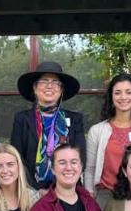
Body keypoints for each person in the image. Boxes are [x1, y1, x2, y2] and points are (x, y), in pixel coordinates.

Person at [10, 60, 87, 189]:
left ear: (61, 89)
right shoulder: (22, 119)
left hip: (67, 189)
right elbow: (16, 158)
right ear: (35, 88)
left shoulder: (75, 120)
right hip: (31, 191)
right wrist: (34, 190)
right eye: (44, 81)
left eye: (55, 83)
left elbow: (81, 157)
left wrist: (60, 189)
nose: (49, 86)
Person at [85, 73, 131, 206]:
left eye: (128, 92)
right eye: (118, 93)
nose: (123, 97)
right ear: (111, 97)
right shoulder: (97, 131)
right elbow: (90, 169)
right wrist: (89, 198)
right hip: (106, 197)